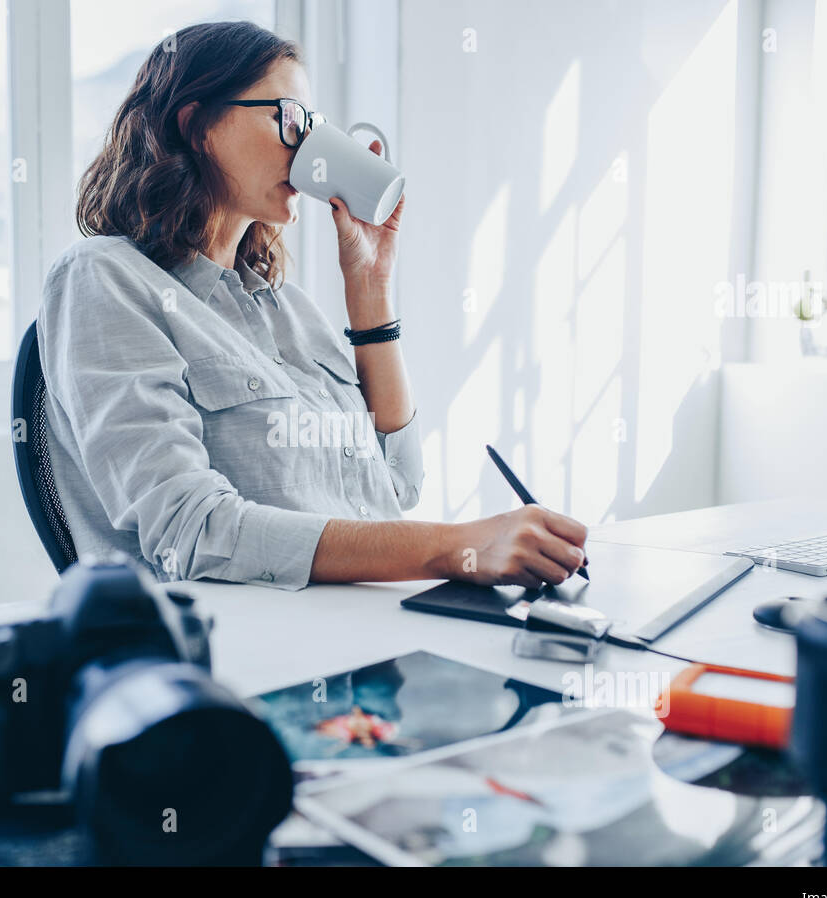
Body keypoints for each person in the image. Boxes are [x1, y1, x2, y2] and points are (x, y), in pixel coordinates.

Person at [37, 20, 588, 591]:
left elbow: (397, 483)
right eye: (292, 121)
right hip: (237, 649)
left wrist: (370, 293)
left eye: (316, 126)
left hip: (361, 628)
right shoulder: (104, 279)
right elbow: (192, 530)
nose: (311, 149)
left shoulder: (286, 309)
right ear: (197, 124)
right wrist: (453, 547)